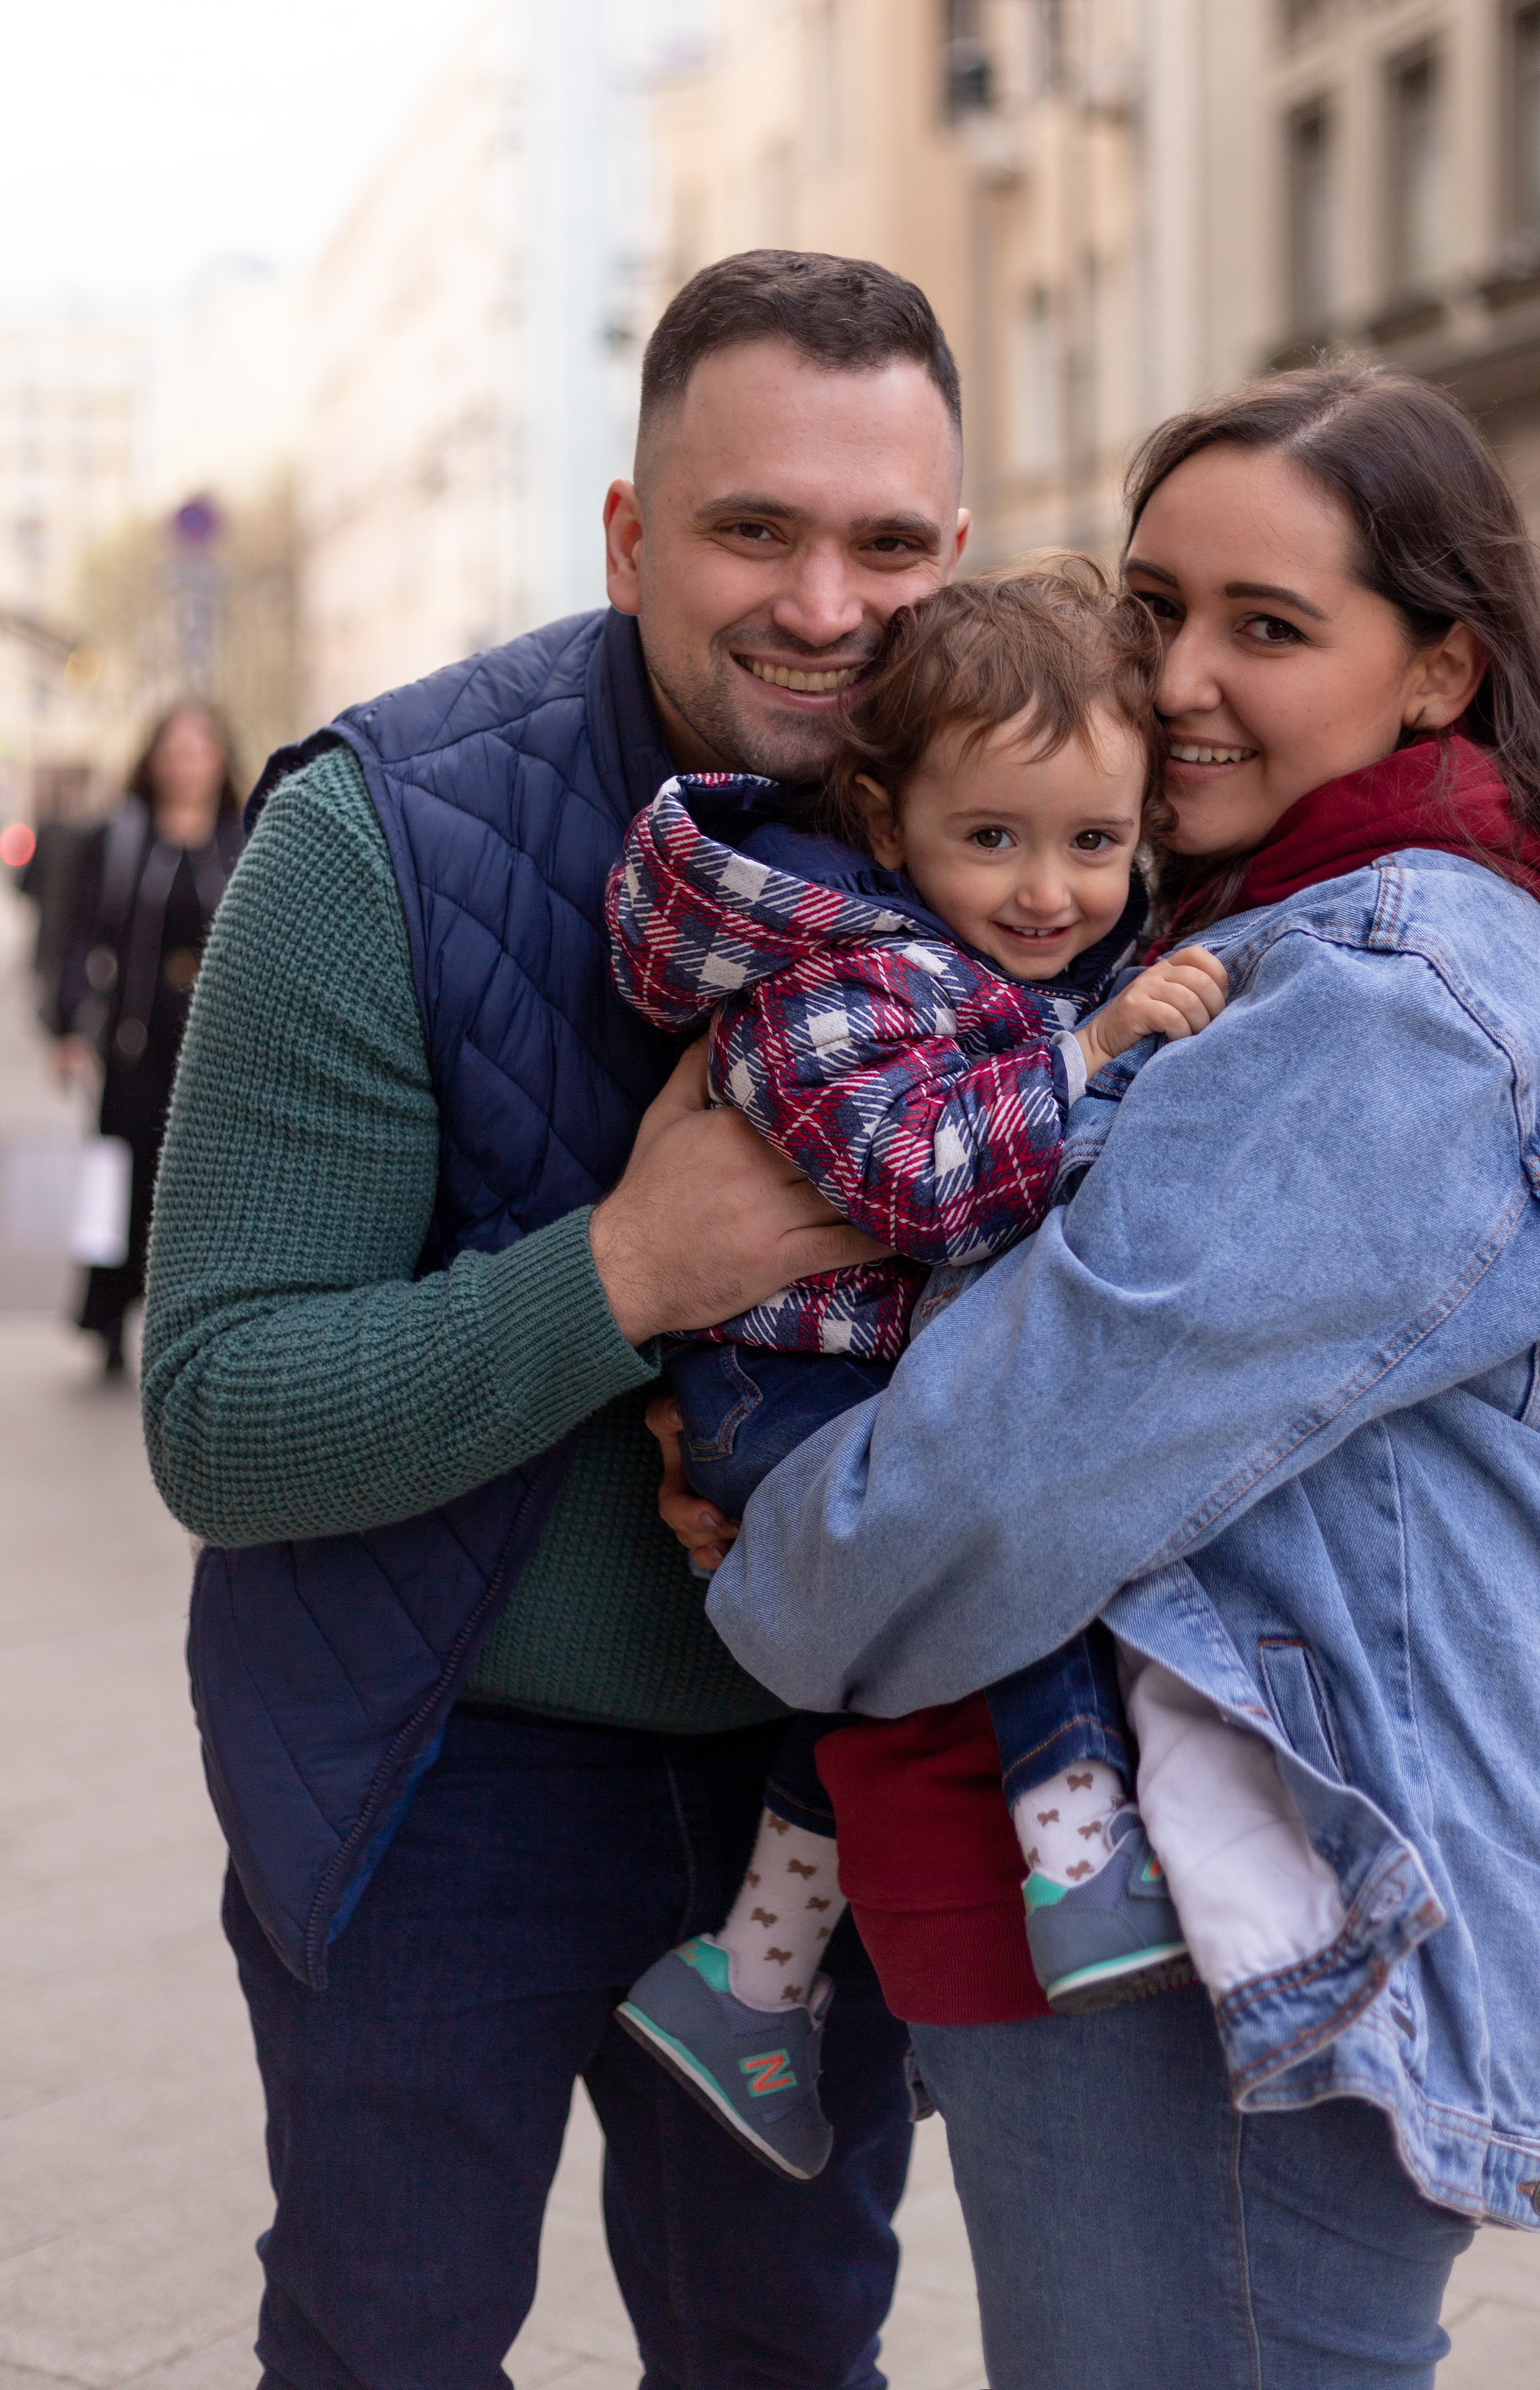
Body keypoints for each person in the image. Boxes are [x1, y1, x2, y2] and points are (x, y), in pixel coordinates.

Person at [670, 367, 1540, 2389]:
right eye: (1154, 610)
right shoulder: (1250, 928)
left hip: (1256, 1969)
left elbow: (1004, 1481)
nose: (1185, 677)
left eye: (1271, 625)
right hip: (1186, 1942)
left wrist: (759, 1564)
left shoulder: (1392, 998)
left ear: (1438, 675)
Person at [140, 252, 998, 2390]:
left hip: (823, 1776)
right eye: (752, 528)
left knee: (786, 2349)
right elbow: (222, 1415)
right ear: (629, 536)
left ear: (954, 553)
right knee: (387, 2345)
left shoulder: (1023, 834)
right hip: (448, 1759)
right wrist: (631, 1270)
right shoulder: (377, 833)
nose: (825, 600)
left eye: (886, 541)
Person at [610, 568, 1227, 2179]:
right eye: (995, 840)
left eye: (1093, 843)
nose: (1048, 893)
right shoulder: (842, 979)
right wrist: (1090, 1059)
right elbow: (919, 1179)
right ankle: (1075, 1850)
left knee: (876, 1667)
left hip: (857, 1377)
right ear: (889, 824)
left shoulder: (1003, 964)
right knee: (988, 1534)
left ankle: (748, 1985)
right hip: (777, 1394)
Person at [51, 704, 242, 1374]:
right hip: (136, 1041)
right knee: (119, 1181)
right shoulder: (119, 838)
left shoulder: (244, 837)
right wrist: (71, 1025)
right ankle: (106, 1319)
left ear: (221, 759)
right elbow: (77, 937)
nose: (188, 759)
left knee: (203, 1190)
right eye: (175, 746)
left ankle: (194, 1329)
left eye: (201, 746)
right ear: (152, 758)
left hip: (215, 1044)